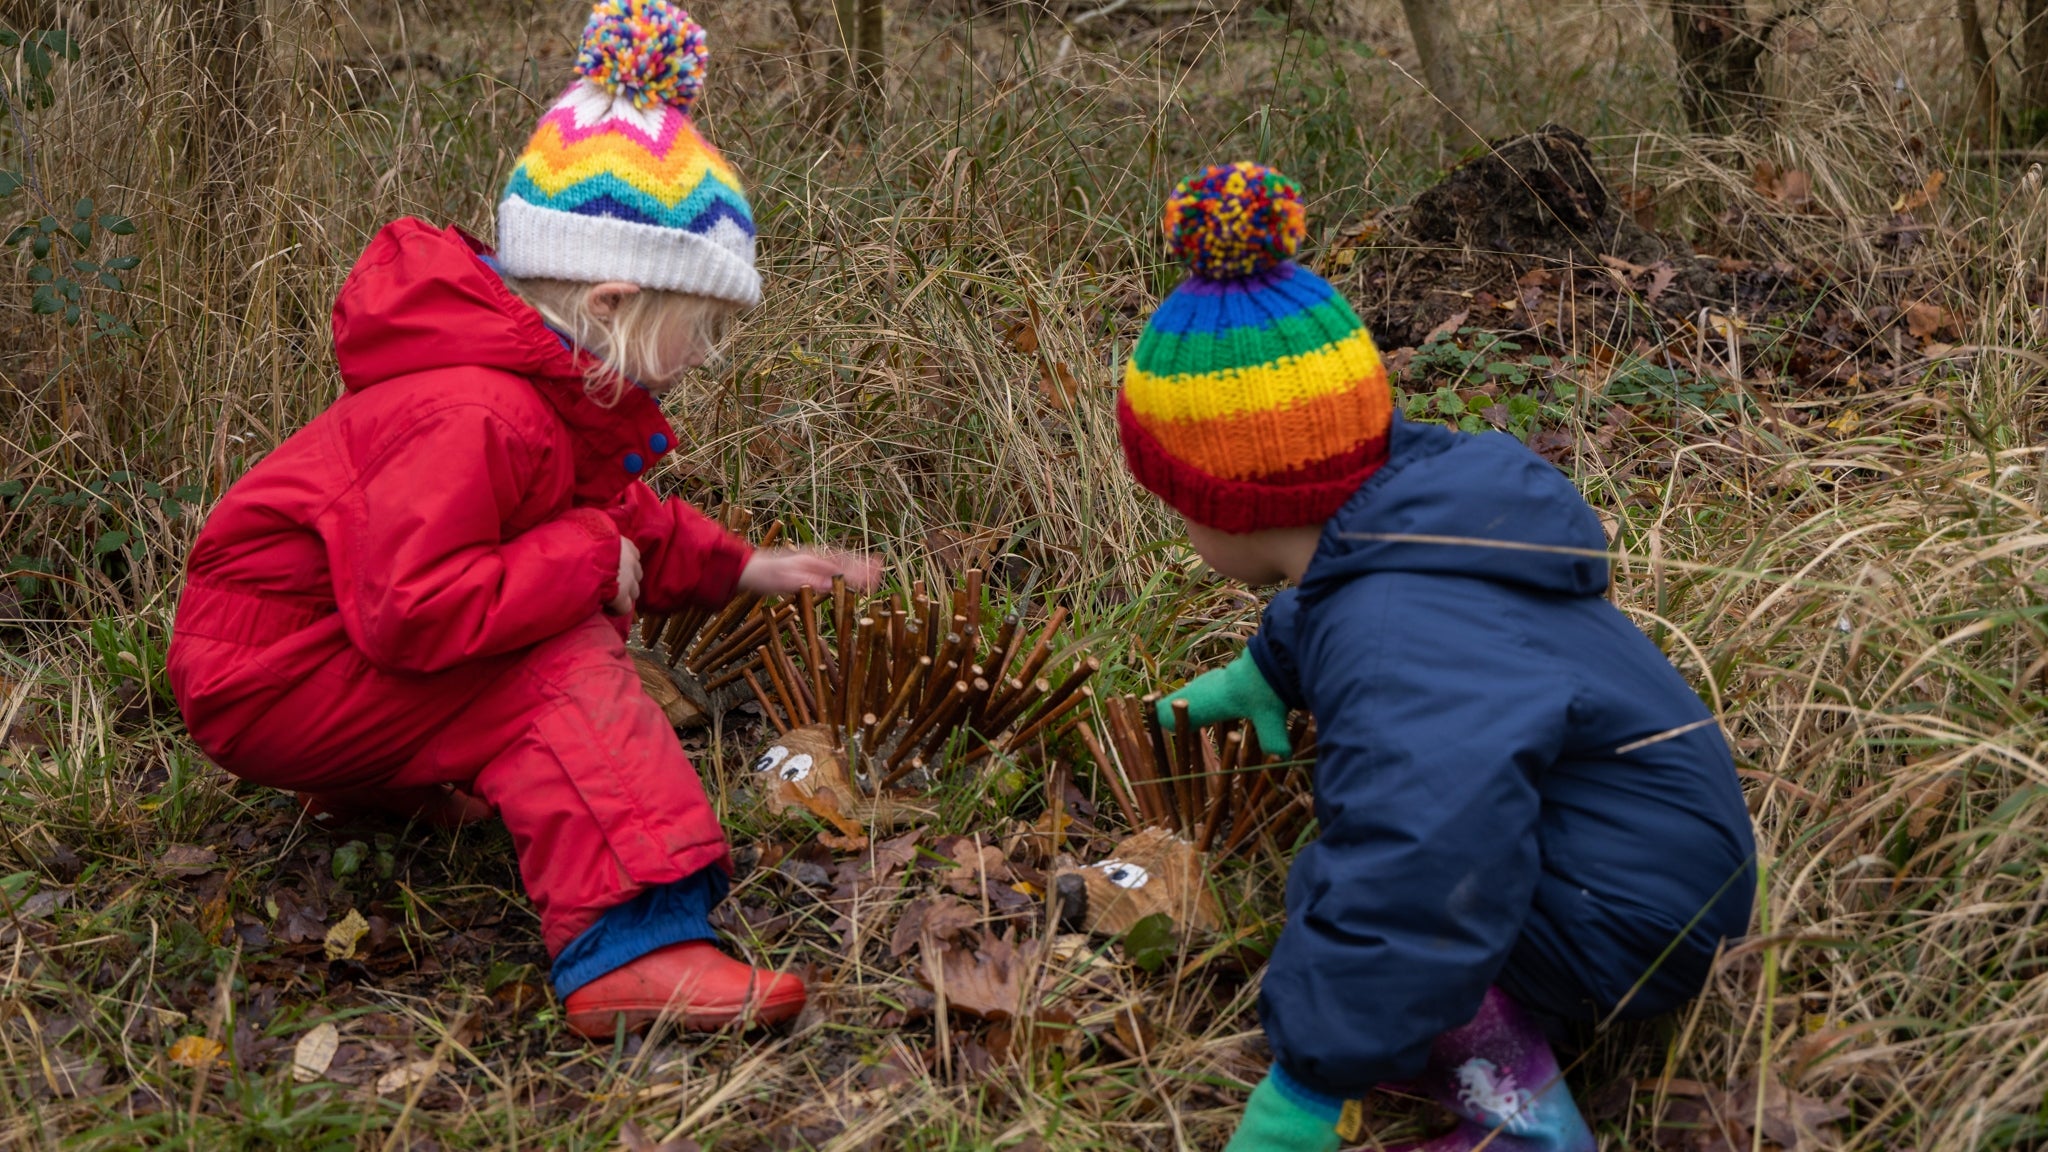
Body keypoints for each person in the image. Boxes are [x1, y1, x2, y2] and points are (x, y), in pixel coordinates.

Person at [167, 0, 878, 1039]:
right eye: (702, 330)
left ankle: (374, 777)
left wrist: (745, 568)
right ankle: (634, 942)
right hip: (274, 679)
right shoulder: (477, 411)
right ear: (611, 304)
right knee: (553, 662)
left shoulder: (531, 392)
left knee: (547, 602)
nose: (706, 358)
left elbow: (613, 511)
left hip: (299, 666)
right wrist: (589, 559)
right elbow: (410, 611)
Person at [1124, 163, 1756, 1151]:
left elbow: (1421, 867)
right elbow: (1351, 594)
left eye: (1171, 501)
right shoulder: (1415, 533)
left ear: (1224, 502)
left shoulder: (1393, 635)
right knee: (1360, 883)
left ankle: (1519, 1120)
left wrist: (1305, 1083)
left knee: (1362, 889)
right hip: (1647, 859)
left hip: (1628, 914)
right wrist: (1267, 668)